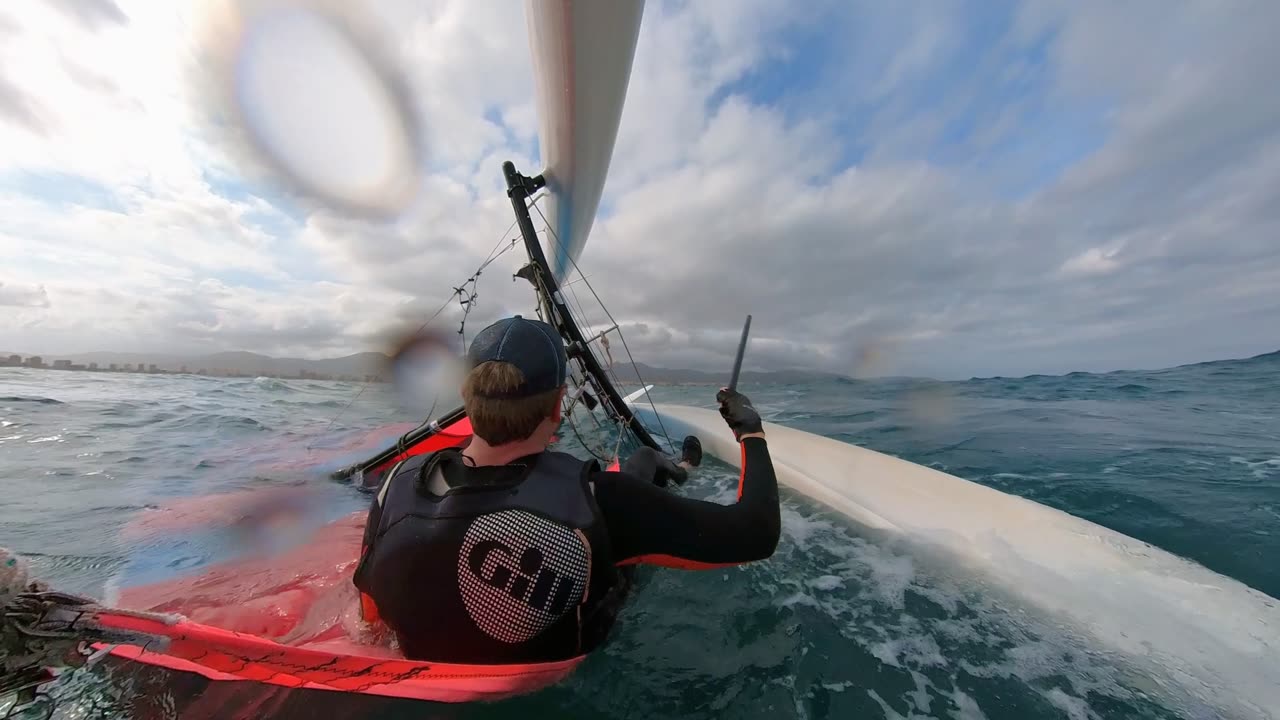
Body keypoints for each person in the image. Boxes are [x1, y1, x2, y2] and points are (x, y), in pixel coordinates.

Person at [352, 315, 779, 667]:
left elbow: (369, 613)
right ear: (558, 405)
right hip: (566, 663)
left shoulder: (397, 482)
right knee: (645, 467)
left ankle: (677, 466)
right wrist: (750, 431)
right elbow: (757, 530)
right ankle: (683, 468)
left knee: (643, 468)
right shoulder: (602, 500)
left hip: (429, 677)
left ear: (468, 398)